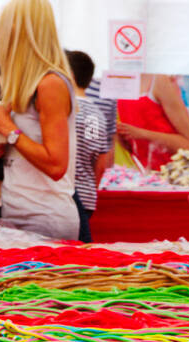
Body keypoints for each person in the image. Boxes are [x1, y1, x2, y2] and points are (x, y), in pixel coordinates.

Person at [0, 0, 79, 241]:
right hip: (20, 211)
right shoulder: (29, 83)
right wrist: (4, 148)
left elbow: (56, 165)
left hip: (44, 216)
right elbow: (34, 148)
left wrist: (9, 130)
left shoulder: (50, 84)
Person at [66, 50, 111, 243]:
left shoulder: (65, 108)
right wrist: (91, 187)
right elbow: (99, 160)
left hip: (66, 194)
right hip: (88, 196)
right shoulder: (96, 113)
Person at [117, 74, 189, 171]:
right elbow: (133, 146)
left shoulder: (159, 82)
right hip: (147, 177)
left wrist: (141, 134)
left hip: (178, 175)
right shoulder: (120, 84)